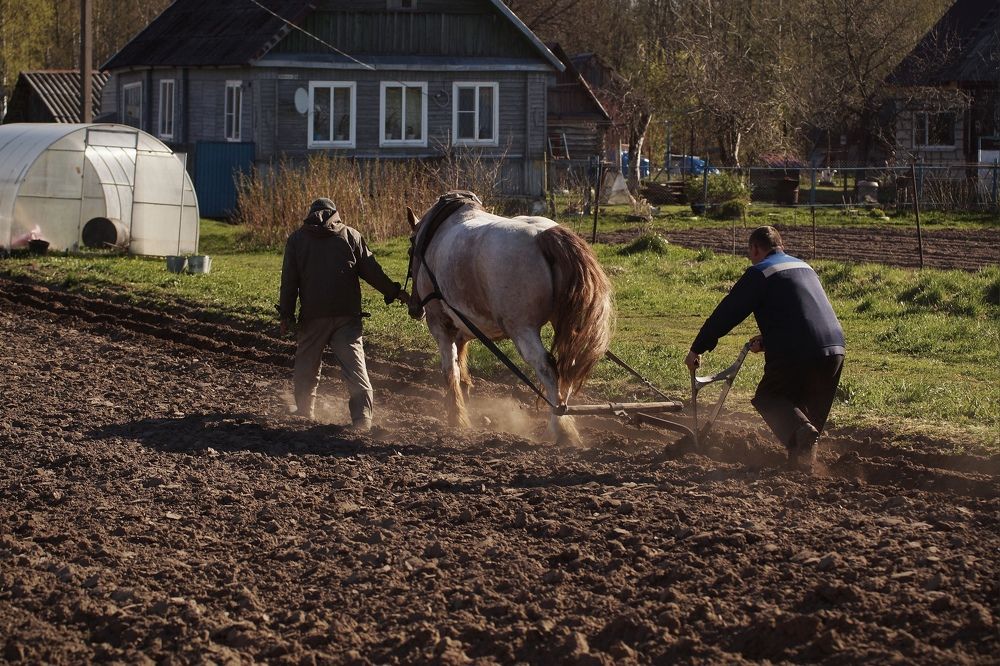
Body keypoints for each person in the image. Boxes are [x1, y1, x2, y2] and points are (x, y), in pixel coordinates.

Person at [685, 226, 845, 472]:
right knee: (805, 417)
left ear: (755, 248)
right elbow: (802, 313)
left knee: (770, 398)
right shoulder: (804, 267)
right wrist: (770, 340)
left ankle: (801, 446)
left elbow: (727, 313)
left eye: (751, 253)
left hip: (797, 348)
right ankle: (802, 469)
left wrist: (698, 347)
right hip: (835, 349)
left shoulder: (761, 271)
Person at [279, 198, 408, 431]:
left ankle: (305, 411)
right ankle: (362, 418)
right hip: (347, 316)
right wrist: (395, 292)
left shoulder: (297, 240)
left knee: (306, 365)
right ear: (335, 215)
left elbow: (289, 282)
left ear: (310, 214)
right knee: (355, 367)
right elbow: (372, 271)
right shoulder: (351, 236)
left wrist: (286, 316)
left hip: (313, 316)